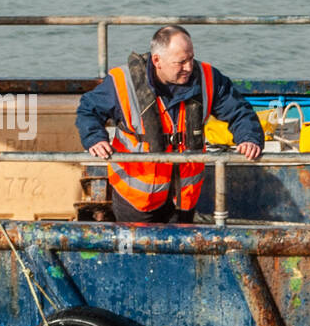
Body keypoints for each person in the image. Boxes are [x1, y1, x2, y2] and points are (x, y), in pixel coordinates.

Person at [76, 25, 263, 223]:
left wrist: (249, 138)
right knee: (141, 252)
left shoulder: (208, 79)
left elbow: (240, 111)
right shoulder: (123, 82)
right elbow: (88, 110)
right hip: (136, 197)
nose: (189, 67)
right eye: (181, 62)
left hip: (184, 197)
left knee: (180, 251)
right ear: (157, 61)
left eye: (191, 58)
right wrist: (95, 138)